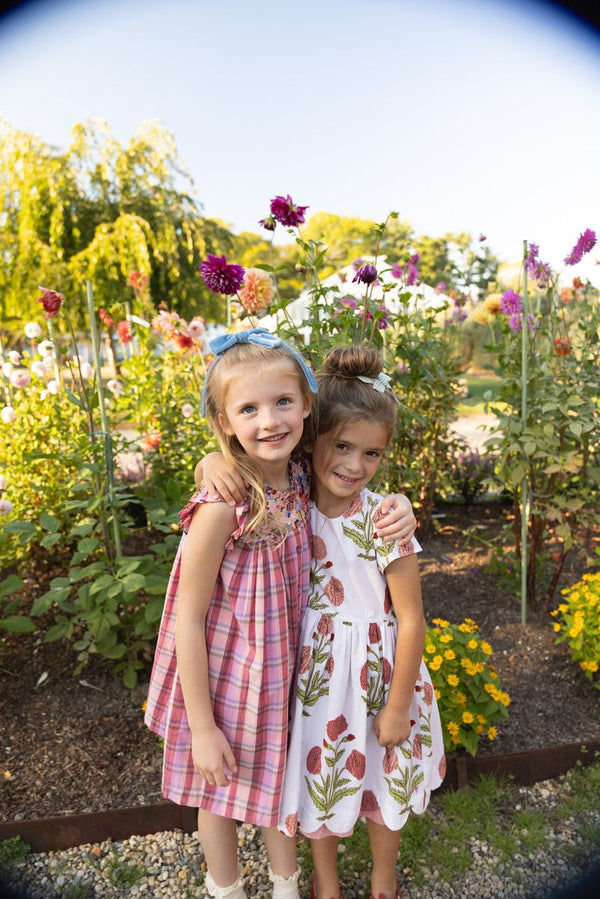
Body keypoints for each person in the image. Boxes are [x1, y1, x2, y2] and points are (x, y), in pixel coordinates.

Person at [145, 329, 415, 899]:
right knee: (216, 796)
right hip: (223, 678)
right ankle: (227, 890)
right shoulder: (222, 504)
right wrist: (200, 726)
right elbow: (185, 620)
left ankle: (287, 887)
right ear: (224, 423)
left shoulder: (297, 478)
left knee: (276, 784)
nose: (269, 420)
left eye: (282, 403)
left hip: (280, 673)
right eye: (249, 409)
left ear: (307, 407)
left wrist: (402, 504)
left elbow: (355, 496)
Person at [277, 347, 446, 899]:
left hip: (379, 680)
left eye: (371, 454)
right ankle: (326, 883)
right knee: (318, 781)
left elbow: (413, 617)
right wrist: (212, 464)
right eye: (342, 446)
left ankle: (382, 878)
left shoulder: (384, 519)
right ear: (312, 438)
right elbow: (225, 469)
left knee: (383, 781)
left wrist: (399, 704)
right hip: (317, 684)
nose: (354, 465)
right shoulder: (288, 503)